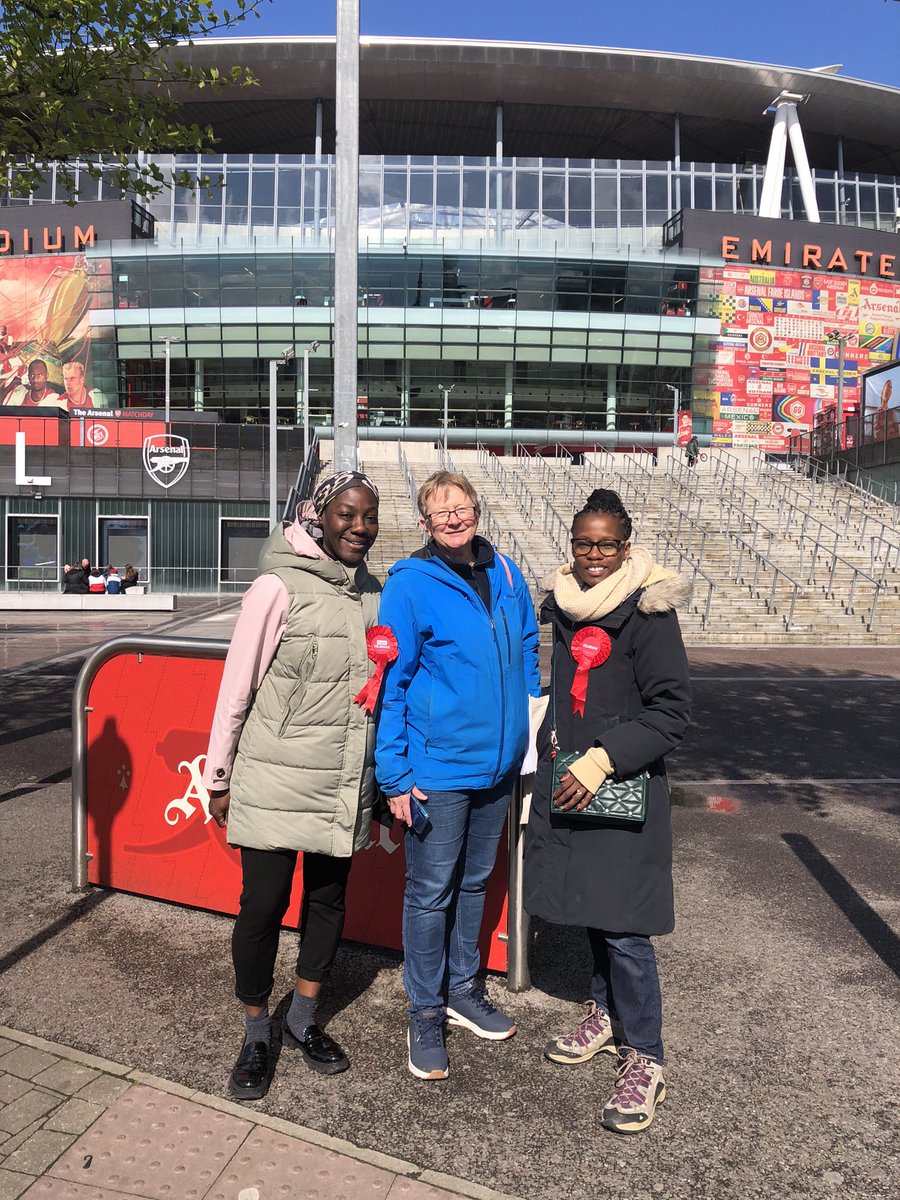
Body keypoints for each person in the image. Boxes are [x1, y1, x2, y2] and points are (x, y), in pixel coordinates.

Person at [202, 471, 381, 1101]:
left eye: (369, 517)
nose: (359, 527)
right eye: (347, 515)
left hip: (340, 780)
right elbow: (237, 687)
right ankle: (257, 1030)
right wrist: (217, 775)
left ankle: (304, 1018)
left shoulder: (372, 595)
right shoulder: (274, 587)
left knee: (328, 904)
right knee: (262, 908)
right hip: (274, 777)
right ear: (317, 516)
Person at [524, 487, 691, 1135]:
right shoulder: (563, 604)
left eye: (607, 544)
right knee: (589, 908)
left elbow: (671, 714)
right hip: (571, 779)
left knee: (624, 924)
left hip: (619, 781)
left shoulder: (648, 611)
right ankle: (602, 1013)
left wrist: (602, 758)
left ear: (626, 546)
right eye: (584, 543)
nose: (594, 555)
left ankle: (645, 1054)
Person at [376, 470, 541, 1081]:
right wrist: (394, 774)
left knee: (474, 886)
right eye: (440, 511)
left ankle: (463, 991)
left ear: (476, 511)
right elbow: (390, 682)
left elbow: (527, 642)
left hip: (496, 767)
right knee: (430, 891)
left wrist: (526, 721)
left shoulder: (505, 570)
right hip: (437, 769)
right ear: (424, 522)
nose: (454, 518)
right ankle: (424, 1012)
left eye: (462, 506)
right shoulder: (410, 584)